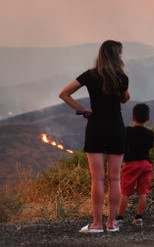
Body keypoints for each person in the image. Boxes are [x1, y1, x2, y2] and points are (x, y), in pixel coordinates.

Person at [59, 40, 130, 233]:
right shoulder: (122, 77)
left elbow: (64, 93)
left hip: (96, 127)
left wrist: (83, 111)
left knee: (97, 179)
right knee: (115, 179)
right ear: (117, 56)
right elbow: (124, 99)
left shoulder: (90, 75)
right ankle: (112, 224)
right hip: (116, 127)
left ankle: (97, 224)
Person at [116, 102, 154, 227]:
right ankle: (139, 218)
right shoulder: (150, 134)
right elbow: (150, 147)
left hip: (131, 164)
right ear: (148, 118)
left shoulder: (127, 131)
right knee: (143, 192)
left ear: (133, 118)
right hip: (146, 164)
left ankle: (120, 218)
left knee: (126, 191)